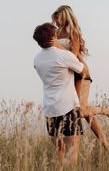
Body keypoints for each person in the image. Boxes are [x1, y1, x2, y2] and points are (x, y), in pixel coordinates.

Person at [52, 5, 109, 158]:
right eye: (54, 16)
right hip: (65, 75)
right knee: (84, 112)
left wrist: (57, 45)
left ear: (66, 15)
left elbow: (74, 55)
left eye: (58, 16)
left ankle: (106, 111)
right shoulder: (55, 32)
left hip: (80, 74)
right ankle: (107, 145)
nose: (56, 19)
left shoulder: (73, 32)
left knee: (81, 110)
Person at [33, 22, 90, 165]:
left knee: (59, 154)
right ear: (53, 37)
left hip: (49, 109)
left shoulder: (37, 60)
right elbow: (84, 72)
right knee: (72, 156)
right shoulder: (64, 56)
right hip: (68, 108)